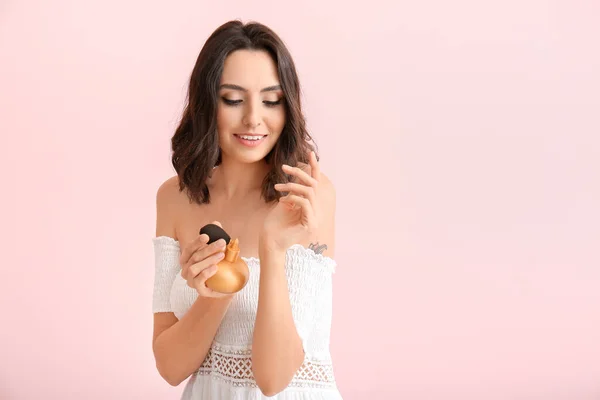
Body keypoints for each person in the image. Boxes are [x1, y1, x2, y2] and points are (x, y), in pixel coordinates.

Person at [151, 19, 342, 399]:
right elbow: (170, 368)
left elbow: (274, 379)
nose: (254, 118)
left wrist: (271, 249)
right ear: (208, 103)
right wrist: (215, 291)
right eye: (234, 99)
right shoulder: (174, 196)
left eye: (271, 100)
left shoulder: (305, 198)